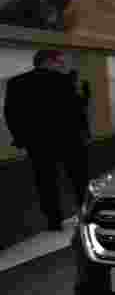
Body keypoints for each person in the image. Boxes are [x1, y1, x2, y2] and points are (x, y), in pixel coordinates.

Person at [3, 49, 89, 231]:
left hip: (38, 142)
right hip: (68, 139)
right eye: (58, 61)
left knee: (45, 181)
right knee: (77, 178)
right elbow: (75, 110)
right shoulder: (63, 81)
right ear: (48, 61)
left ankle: (53, 221)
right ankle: (84, 212)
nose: (61, 64)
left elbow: (11, 114)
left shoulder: (17, 82)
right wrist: (83, 131)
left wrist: (21, 138)